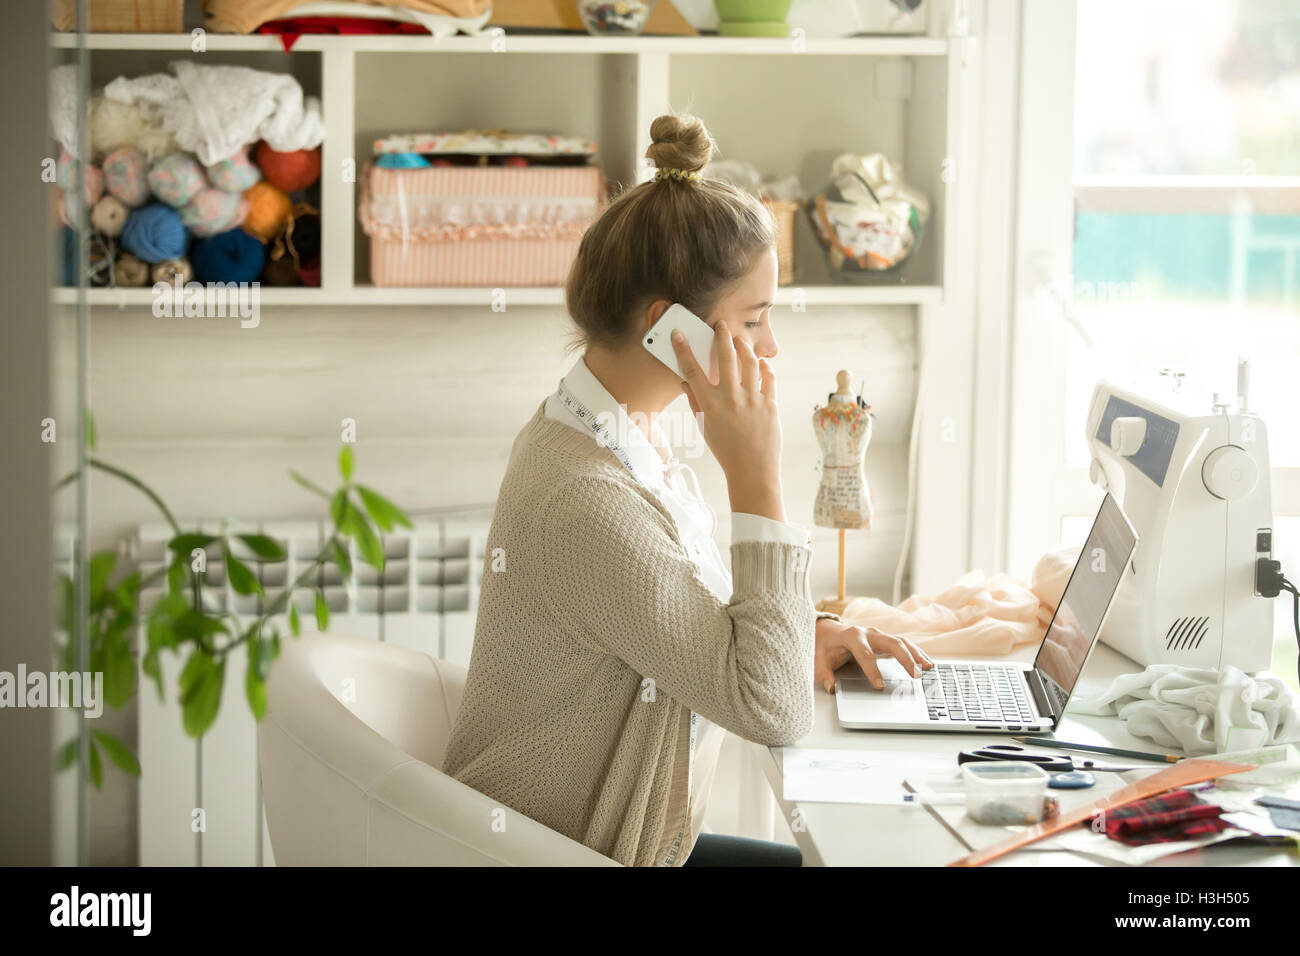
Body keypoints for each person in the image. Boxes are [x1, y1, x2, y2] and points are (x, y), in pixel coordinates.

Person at [442, 113, 934, 867]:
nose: (770, 347)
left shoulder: (611, 435)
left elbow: (694, 615)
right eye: (755, 319)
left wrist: (809, 627)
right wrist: (757, 476)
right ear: (670, 327)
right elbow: (770, 707)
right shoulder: (584, 496)